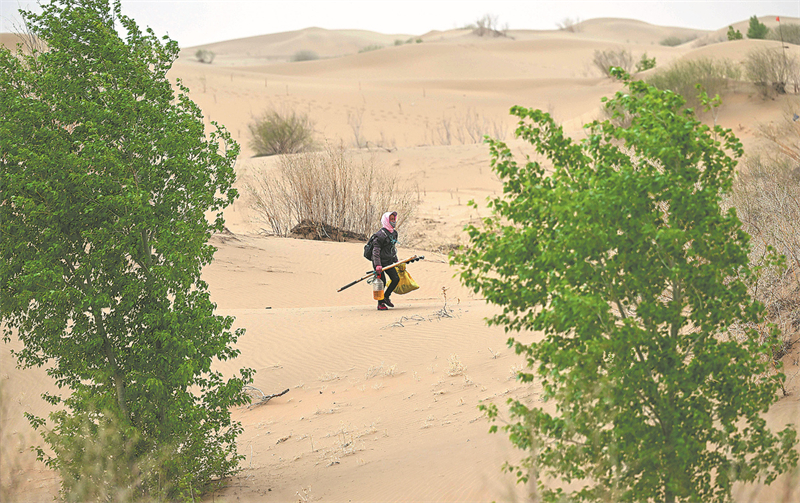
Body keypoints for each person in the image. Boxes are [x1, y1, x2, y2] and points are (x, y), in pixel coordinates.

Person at [372, 211, 399, 310]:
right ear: (386, 220)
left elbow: (392, 248)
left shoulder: (394, 233)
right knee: (381, 282)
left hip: (388, 261)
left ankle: (386, 297)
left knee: (396, 279)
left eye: (394, 219)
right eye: (391, 219)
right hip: (379, 262)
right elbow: (376, 251)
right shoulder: (380, 235)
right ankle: (380, 304)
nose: (393, 221)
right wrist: (378, 265)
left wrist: (396, 261)